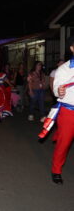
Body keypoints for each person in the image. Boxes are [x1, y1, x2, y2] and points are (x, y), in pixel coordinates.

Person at [40, 37, 74, 184]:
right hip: (68, 111)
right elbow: (55, 90)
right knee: (64, 143)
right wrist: (59, 91)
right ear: (72, 49)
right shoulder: (64, 69)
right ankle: (56, 170)